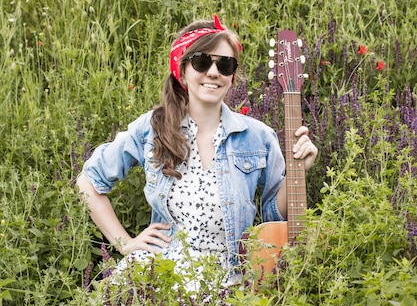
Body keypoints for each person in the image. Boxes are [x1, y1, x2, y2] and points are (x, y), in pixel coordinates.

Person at [77, 15, 318, 283]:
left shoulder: (258, 137)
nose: (214, 72)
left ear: (232, 76)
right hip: (159, 272)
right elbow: (89, 181)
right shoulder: (152, 128)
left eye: (225, 65)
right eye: (202, 61)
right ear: (182, 71)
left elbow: (274, 215)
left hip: (228, 278)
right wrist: (124, 243)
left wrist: (299, 169)